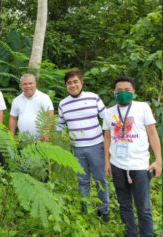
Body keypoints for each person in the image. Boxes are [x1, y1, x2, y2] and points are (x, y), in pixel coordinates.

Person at [103, 76, 161, 236]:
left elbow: (153, 134)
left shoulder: (143, 108)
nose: (123, 93)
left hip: (140, 167)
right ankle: (131, 233)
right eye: (119, 91)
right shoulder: (108, 113)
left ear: (133, 92)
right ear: (114, 93)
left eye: (127, 90)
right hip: (117, 166)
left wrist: (158, 160)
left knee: (144, 207)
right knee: (124, 204)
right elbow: (107, 137)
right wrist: (107, 161)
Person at [57, 69, 109, 221]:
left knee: (100, 179)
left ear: (81, 82)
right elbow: (60, 126)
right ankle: (85, 208)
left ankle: (104, 210)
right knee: (83, 180)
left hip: (97, 146)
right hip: (77, 149)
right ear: (66, 85)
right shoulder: (63, 104)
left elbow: (106, 120)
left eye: (75, 82)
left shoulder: (93, 98)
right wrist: (50, 137)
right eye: (69, 83)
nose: (73, 85)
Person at [9, 73, 54, 139]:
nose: (28, 86)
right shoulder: (16, 100)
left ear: (35, 84)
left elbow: (50, 116)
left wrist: (46, 132)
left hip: (42, 141)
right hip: (22, 141)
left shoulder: (44, 97)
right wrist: (11, 136)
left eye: (30, 83)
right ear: (21, 86)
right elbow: (13, 118)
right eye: (25, 84)